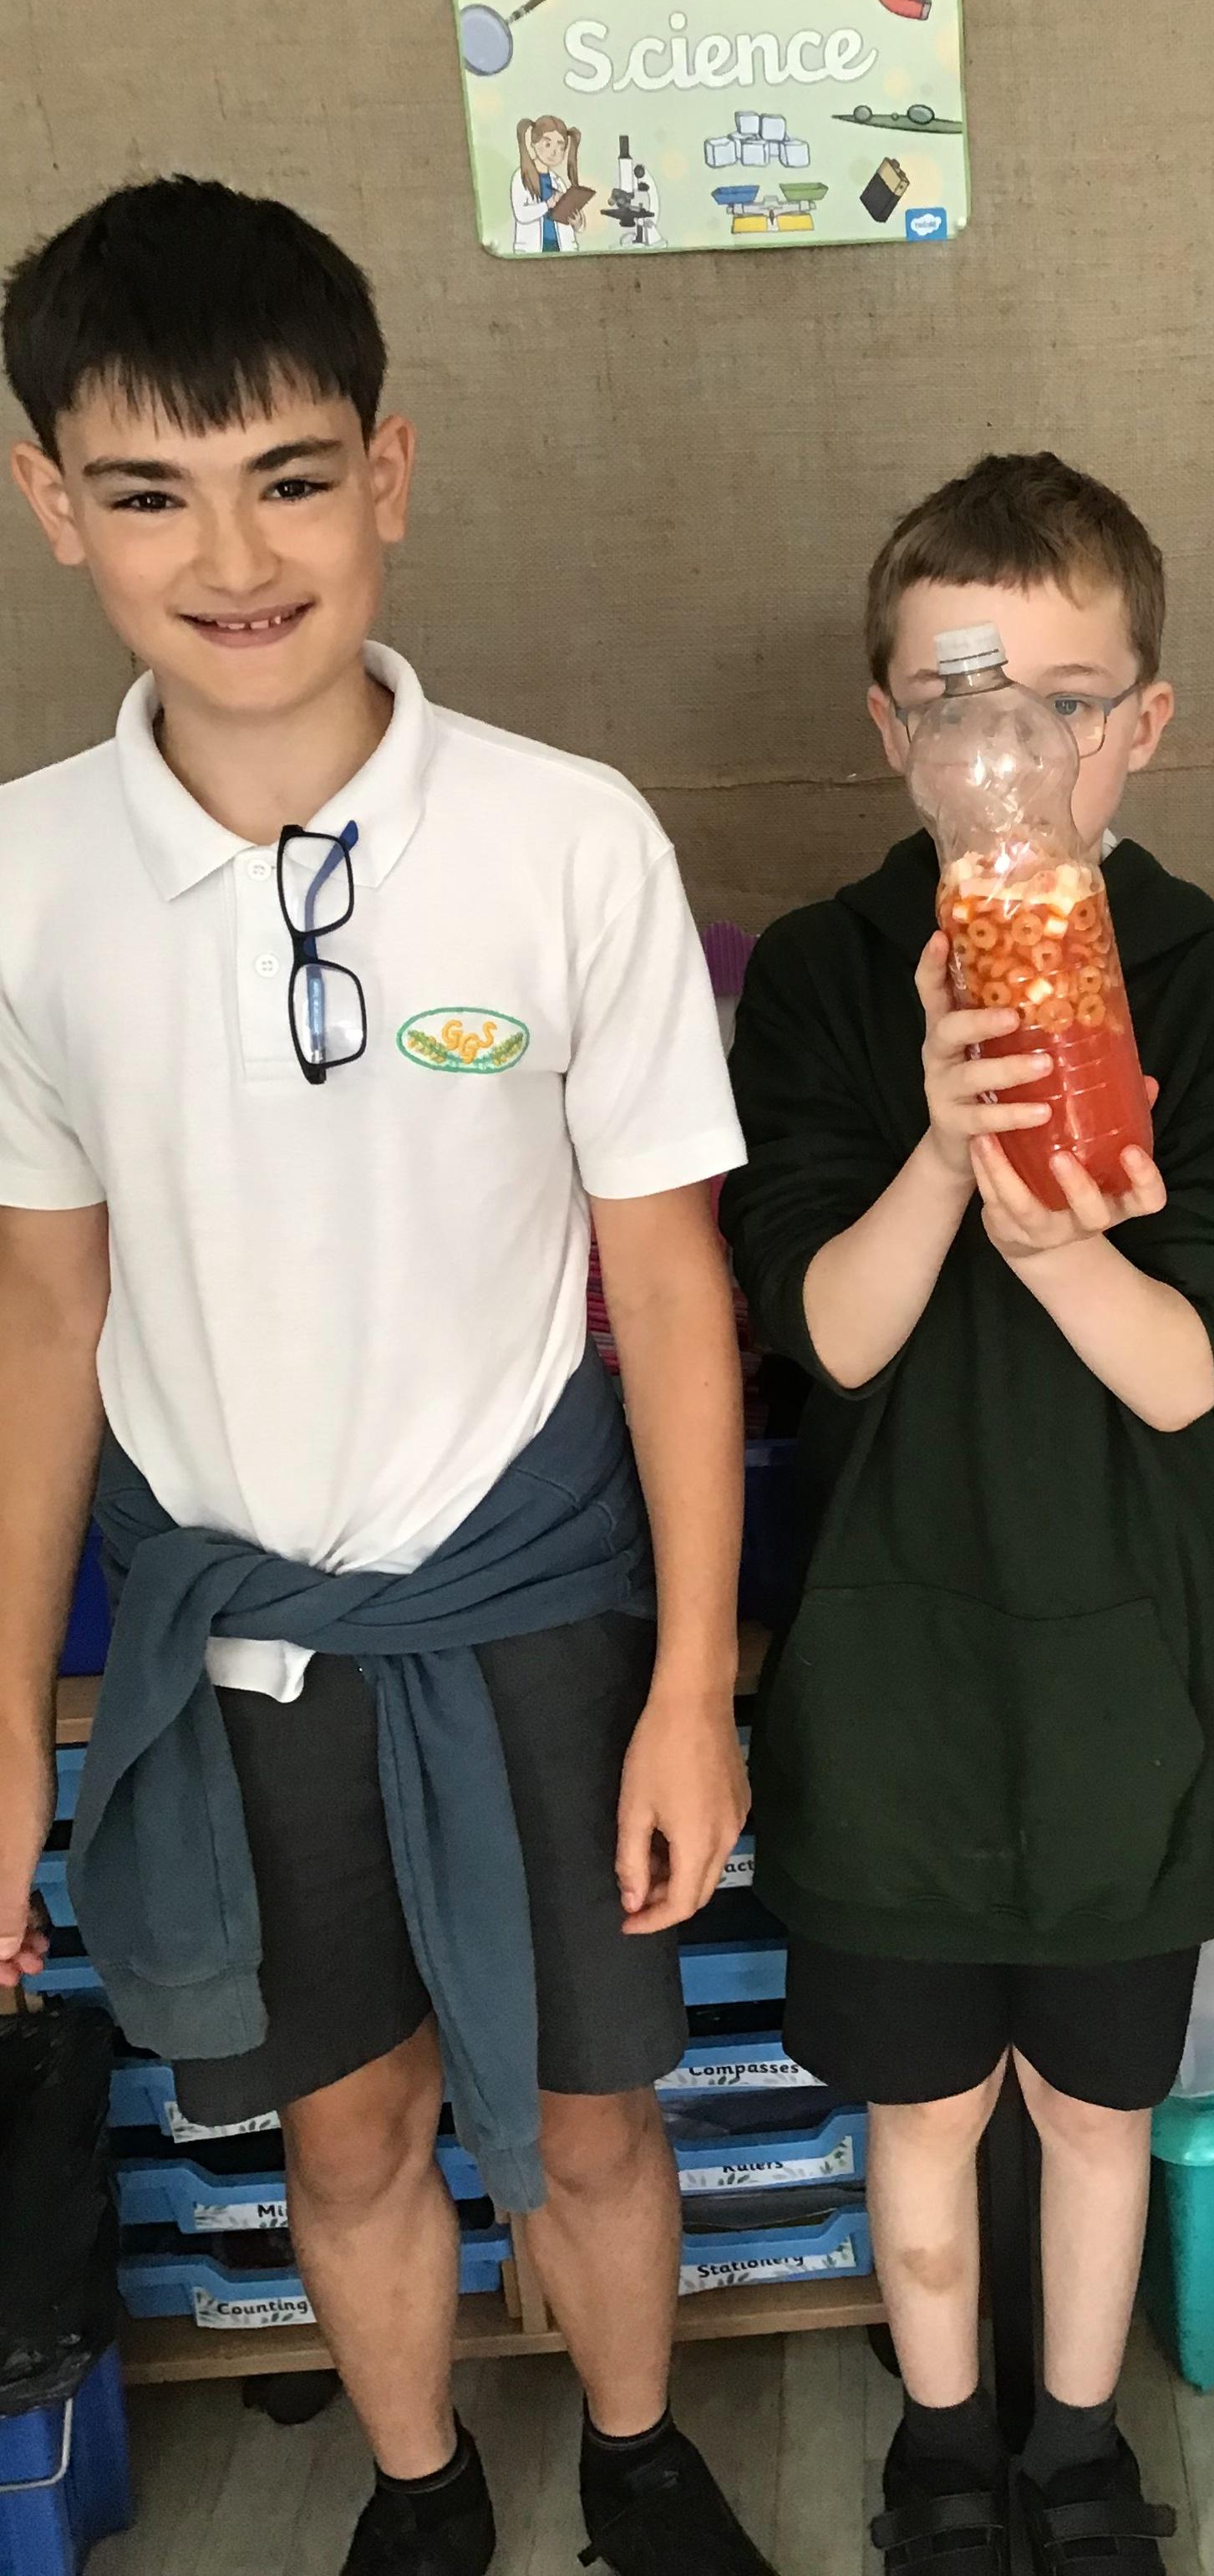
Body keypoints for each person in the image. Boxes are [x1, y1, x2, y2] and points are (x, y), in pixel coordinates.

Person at [0, 177, 770, 2576]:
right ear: (52, 506)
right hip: (239, 1632)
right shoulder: (24, 879)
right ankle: (422, 2494)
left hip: (536, 1610)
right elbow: (45, 1319)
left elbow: (673, 1287)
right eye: (148, 492)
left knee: (592, 2123)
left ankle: (637, 2462)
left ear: (391, 473)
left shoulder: (564, 838)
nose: (233, 557)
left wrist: (690, 1688)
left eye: (291, 477)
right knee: (344, 2132)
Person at [719, 452, 1214, 2574]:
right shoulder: (824, 973)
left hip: (1123, 1689)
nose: (1017, 752)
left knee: (1095, 2107)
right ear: (887, 727)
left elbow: (1181, 1371)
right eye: (960, 703)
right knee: (920, 2111)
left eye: (1068, 703)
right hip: (886, 1680)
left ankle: (1076, 2448)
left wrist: (1062, 1226)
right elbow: (833, 1330)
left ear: (1143, 722)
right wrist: (936, 1137)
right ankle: (939, 2449)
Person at [512, 116, 586, 254]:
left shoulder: (558, 182)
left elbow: (577, 226)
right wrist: (547, 205)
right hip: (532, 250)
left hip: (562, 249)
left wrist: (577, 222)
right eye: (548, 145)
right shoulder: (522, 177)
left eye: (561, 148)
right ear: (533, 144)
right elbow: (521, 214)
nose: (554, 152)